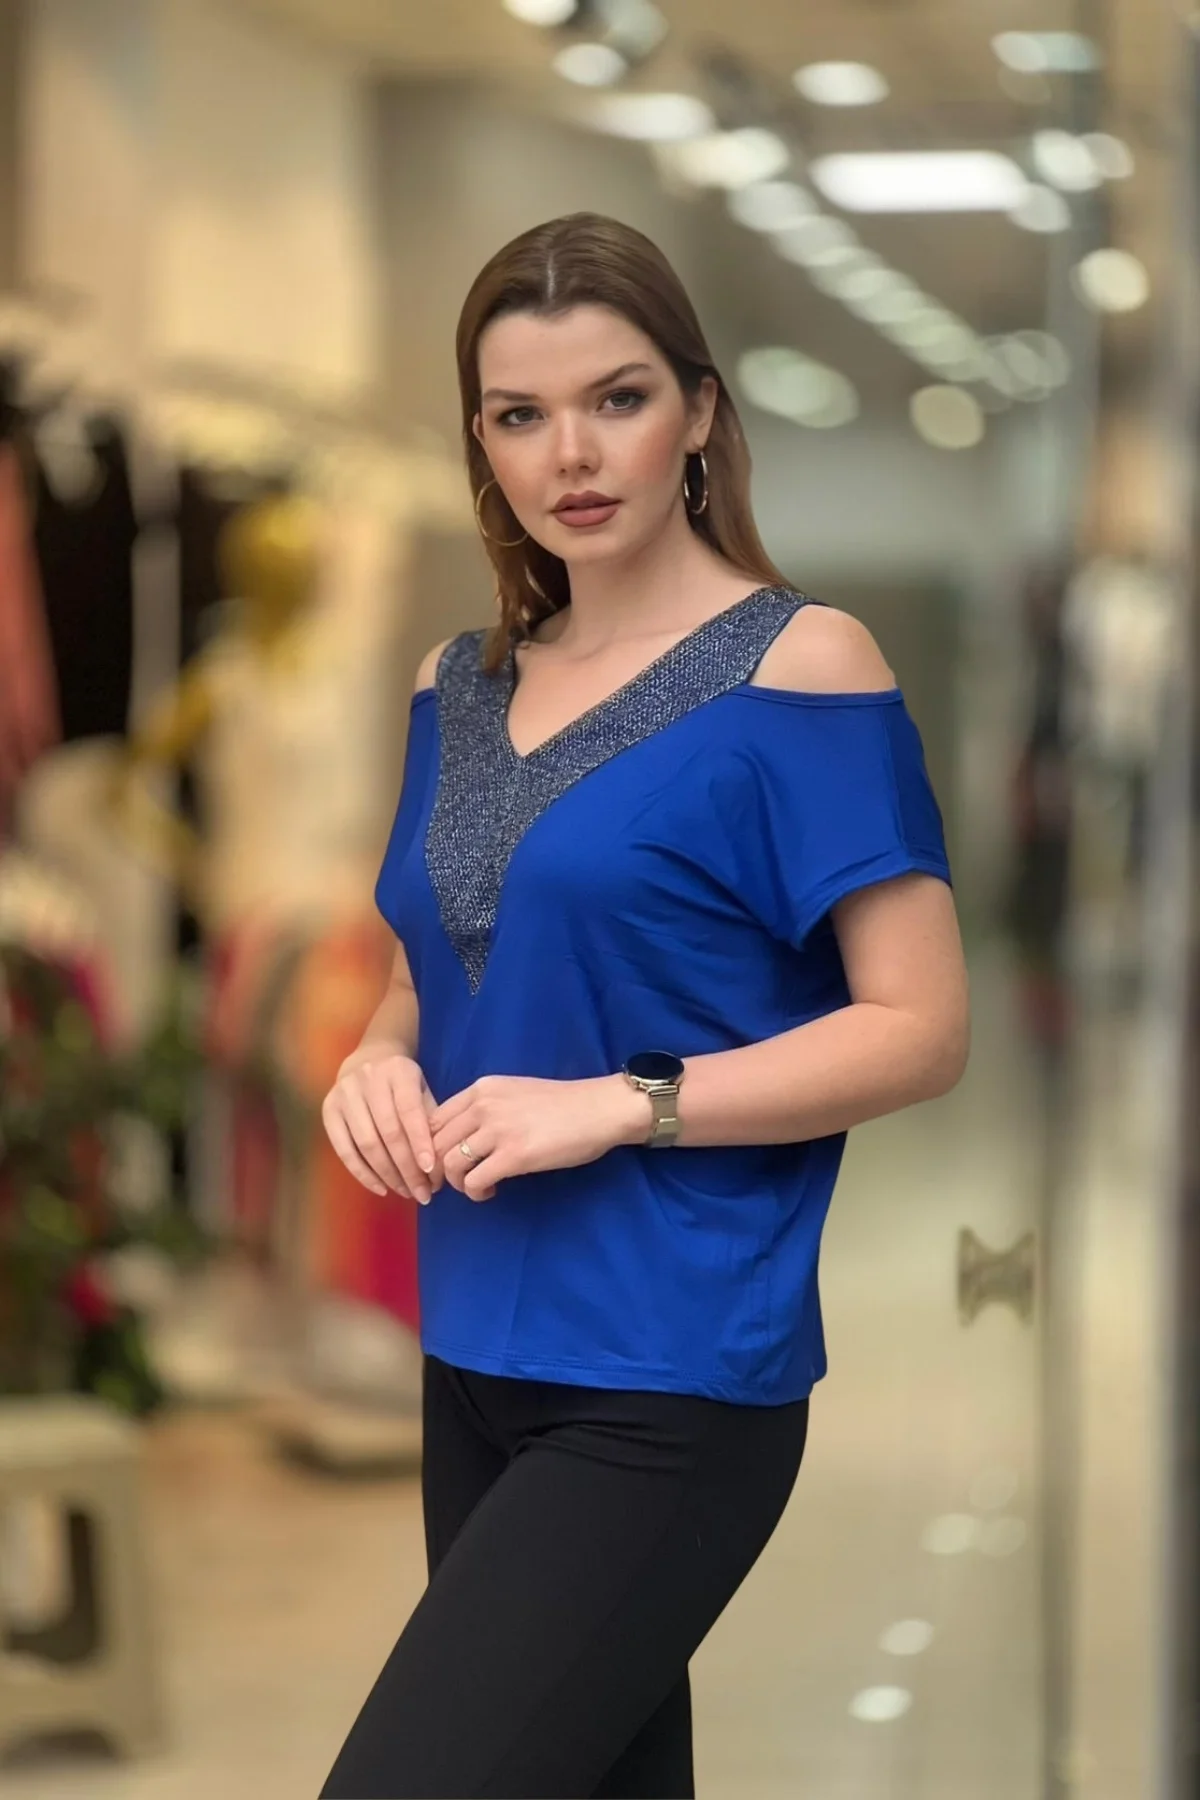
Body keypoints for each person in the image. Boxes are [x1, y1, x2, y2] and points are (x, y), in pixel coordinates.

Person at [317, 212, 969, 1800]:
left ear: (699, 413)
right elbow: (428, 968)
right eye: (520, 413)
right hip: (475, 1345)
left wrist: (625, 1102)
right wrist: (373, 1061)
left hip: (667, 1371)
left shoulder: (802, 670)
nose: (572, 454)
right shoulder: (454, 685)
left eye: (617, 398)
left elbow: (919, 1025)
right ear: (481, 443)